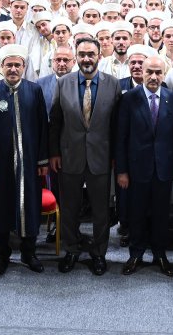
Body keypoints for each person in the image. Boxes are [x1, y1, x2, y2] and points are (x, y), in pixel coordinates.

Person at [49, 37, 120, 275]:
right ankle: (71, 250)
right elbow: (55, 121)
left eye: (91, 54)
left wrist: (116, 156)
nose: (86, 59)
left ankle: (99, 253)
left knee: (101, 210)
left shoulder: (113, 84)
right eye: (82, 54)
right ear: (76, 57)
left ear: (99, 56)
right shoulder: (64, 83)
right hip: (69, 155)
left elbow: (116, 126)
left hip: (102, 155)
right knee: (70, 208)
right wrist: (54, 153)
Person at [0, 44, 49, 276]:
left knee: (29, 204)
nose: (12, 69)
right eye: (8, 64)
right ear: (1, 67)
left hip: (29, 163)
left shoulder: (34, 90)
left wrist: (42, 161)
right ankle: (2, 254)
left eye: (17, 65)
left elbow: (43, 127)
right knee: (1, 207)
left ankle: (29, 252)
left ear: (24, 67)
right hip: (0, 164)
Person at [114, 55, 173, 277]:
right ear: (141, 72)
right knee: (137, 213)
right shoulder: (128, 98)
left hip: (164, 167)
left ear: (164, 74)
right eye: (149, 72)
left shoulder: (172, 98)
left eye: (158, 72)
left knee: (161, 214)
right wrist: (122, 171)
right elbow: (121, 137)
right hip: (136, 169)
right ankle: (136, 253)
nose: (153, 77)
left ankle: (160, 254)